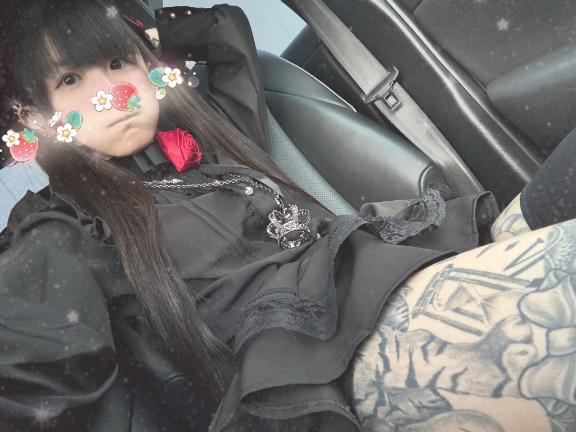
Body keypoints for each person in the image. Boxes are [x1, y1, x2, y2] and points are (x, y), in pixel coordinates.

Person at [0, 1, 575, 431]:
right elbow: (34, 383)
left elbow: (225, 31)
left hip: (395, 273)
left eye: (118, 62)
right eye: (70, 80)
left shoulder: (216, 139)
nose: (113, 93)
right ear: (34, 114)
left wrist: (148, 28)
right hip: (324, 371)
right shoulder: (57, 224)